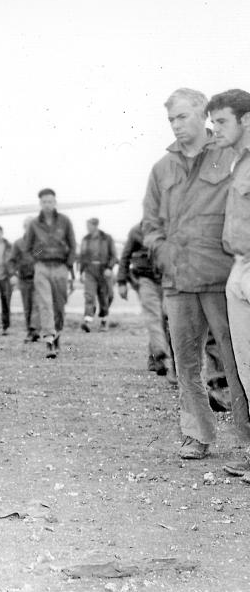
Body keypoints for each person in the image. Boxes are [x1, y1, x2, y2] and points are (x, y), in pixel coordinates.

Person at [142, 87, 246, 460]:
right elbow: (150, 223)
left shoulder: (231, 156)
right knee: (186, 363)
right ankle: (196, 434)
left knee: (237, 363)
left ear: (202, 115)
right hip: (178, 282)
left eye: (182, 117)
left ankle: (246, 440)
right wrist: (163, 250)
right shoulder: (162, 169)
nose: (175, 125)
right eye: (170, 119)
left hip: (220, 278)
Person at [204, 88, 250, 476]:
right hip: (240, 266)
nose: (214, 129)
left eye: (221, 121)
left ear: (246, 120)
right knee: (246, 366)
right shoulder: (240, 164)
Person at [21, 188, 76, 359]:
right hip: (42, 267)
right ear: (40, 203)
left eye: (50, 201)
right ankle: (49, 339)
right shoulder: (34, 224)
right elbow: (28, 248)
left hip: (60, 267)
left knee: (59, 305)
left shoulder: (65, 221)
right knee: (45, 303)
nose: (47, 205)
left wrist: (68, 264)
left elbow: (73, 245)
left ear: (55, 202)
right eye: (44, 202)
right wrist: (40, 256)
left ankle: (57, 334)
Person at [117, 222, 175, 380]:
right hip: (145, 280)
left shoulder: (171, 225)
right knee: (154, 317)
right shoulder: (136, 231)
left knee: (165, 319)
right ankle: (162, 355)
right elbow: (125, 257)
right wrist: (121, 282)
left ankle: (154, 358)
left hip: (167, 279)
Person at [77, 218, 118, 332]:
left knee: (105, 296)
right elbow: (82, 257)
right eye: (87, 226)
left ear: (95, 226)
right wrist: (80, 272)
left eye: (89, 226)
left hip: (104, 270)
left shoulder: (107, 238)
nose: (88, 228)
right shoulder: (85, 239)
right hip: (90, 270)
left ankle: (104, 321)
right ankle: (87, 321)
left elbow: (114, 256)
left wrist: (109, 268)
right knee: (89, 295)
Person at [12, 217, 40, 342]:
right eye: (27, 226)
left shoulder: (40, 243)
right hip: (23, 279)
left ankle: (34, 330)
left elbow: (44, 258)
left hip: (38, 278)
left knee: (36, 304)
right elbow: (12, 260)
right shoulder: (18, 243)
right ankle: (30, 331)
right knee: (27, 306)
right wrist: (13, 274)